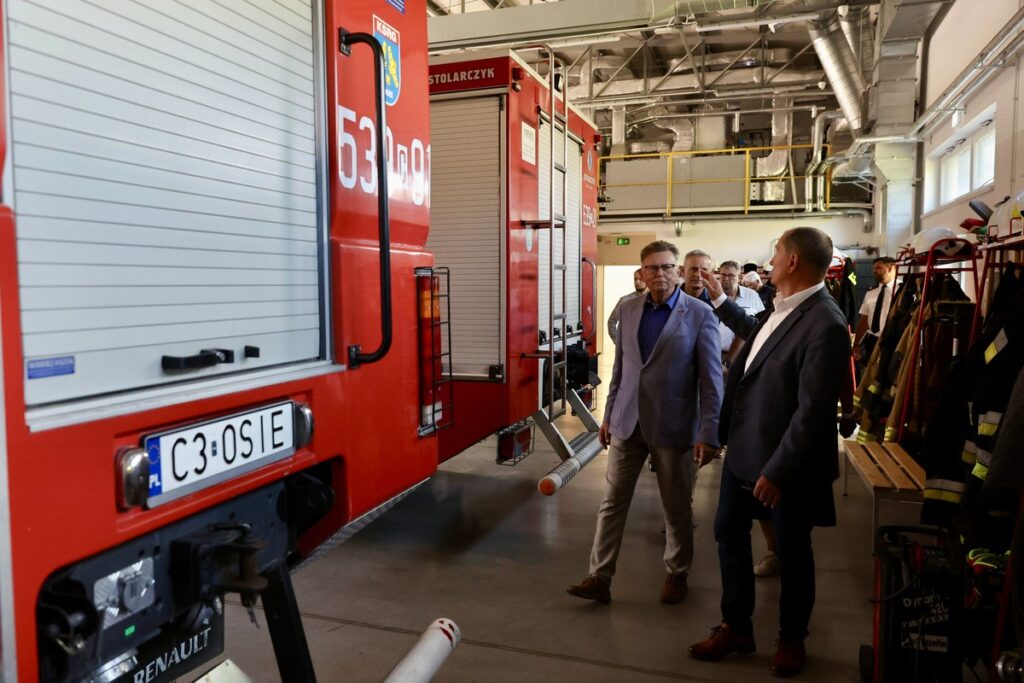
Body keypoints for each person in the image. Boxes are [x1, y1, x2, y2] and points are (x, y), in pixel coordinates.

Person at [689, 227, 851, 678]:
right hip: (745, 451)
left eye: (777, 251)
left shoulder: (826, 324)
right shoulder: (781, 308)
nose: (771, 259)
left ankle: (792, 639)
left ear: (793, 260)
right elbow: (757, 339)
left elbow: (813, 412)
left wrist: (778, 470)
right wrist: (720, 298)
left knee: (793, 551)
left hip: (786, 466)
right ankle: (736, 627)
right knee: (728, 533)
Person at [567, 240, 723, 605]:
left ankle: (677, 572)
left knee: (676, 504)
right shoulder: (629, 309)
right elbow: (622, 369)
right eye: (652, 268)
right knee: (612, 501)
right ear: (642, 273)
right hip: (627, 421)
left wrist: (708, 432)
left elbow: (711, 381)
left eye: (667, 267)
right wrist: (608, 415)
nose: (660, 274)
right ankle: (599, 576)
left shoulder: (699, 314)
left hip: (674, 424)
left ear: (678, 272)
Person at [852, 256, 898, 366]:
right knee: (869, 370)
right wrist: (856, 344)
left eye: (878, 268)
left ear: (891, 267)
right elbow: (864, 320)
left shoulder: (901, 291)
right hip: (872, 340)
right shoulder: (871, 292)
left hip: (891, 341)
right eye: (874, 268)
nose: (874, 271)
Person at [717, 261, 764, 366]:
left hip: (744, 356)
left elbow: (761, 322)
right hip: (717, 354)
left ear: (739, 277)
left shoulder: (752, 295)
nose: (726, 278)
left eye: (731, 275)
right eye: (723, 275)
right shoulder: (712, 296)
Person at [607, 268, 646, 345]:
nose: (637, 282)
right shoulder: (625, 300)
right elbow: (611, 321)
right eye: (635, 279)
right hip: (629, 347)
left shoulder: (656, 300)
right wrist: (619, 343)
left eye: (641, 279)